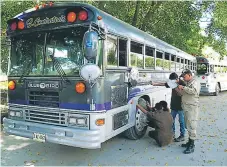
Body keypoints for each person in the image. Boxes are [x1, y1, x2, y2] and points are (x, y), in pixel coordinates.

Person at [152, 73, 186, 142]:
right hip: (173, 106)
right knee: (171, 120)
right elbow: (164, 84)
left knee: (181, 121)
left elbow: (182, 93)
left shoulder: (182, 83)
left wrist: (177, 85)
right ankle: (172, 134)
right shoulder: (171, 83)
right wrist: (154, 84)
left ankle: (182, 135)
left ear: (177, 79)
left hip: (181, 107)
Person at [178, 69, 201, 154]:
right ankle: (189, 141)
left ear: (189, 75)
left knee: (192, 125)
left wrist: (183, 87)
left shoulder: (195, 82)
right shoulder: (187, 83)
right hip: (186, 107)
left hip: (192, 108)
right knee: (188, 125)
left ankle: (192, 145)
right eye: (183, 77)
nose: (183, 78)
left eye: (185, 76)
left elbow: (194, 91)